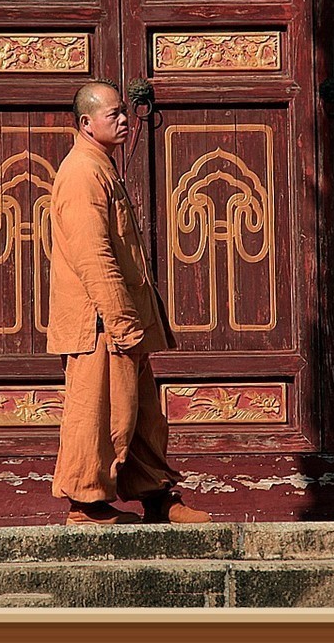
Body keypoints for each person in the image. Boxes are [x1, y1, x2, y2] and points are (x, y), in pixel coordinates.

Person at [47, 80, 211, 526]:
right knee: (99, 413)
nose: (124, 120)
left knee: (140, 413)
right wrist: (119, 318)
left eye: (124, 112)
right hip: (99, 322)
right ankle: (84, 504)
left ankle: (156, 495)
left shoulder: (102, 166)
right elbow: (92, 254)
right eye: (113, 113)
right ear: (86, 123)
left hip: (121, 319)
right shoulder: (82, 173)